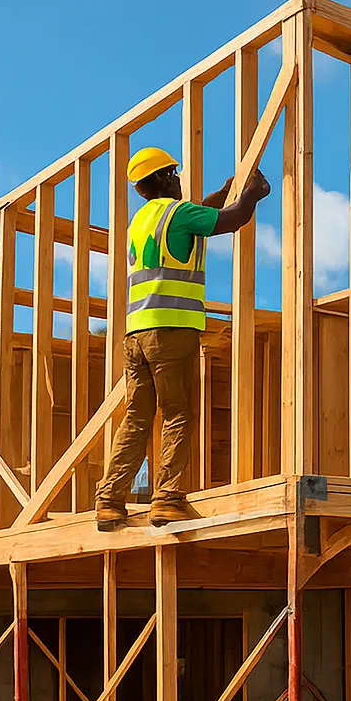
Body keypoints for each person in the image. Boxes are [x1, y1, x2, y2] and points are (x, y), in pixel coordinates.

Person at [95, 147, 271, 529]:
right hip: (171, 331)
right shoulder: (178, 214)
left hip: (135, 334)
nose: (178, 179)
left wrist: (227, 193)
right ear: (160, 179)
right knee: (177, 413)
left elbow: (202, 216)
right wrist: (252, 196)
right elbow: (233, 220)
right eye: (173, 173)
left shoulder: (143, 219)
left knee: (137, 417)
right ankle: (167, 499)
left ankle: (110, 501)